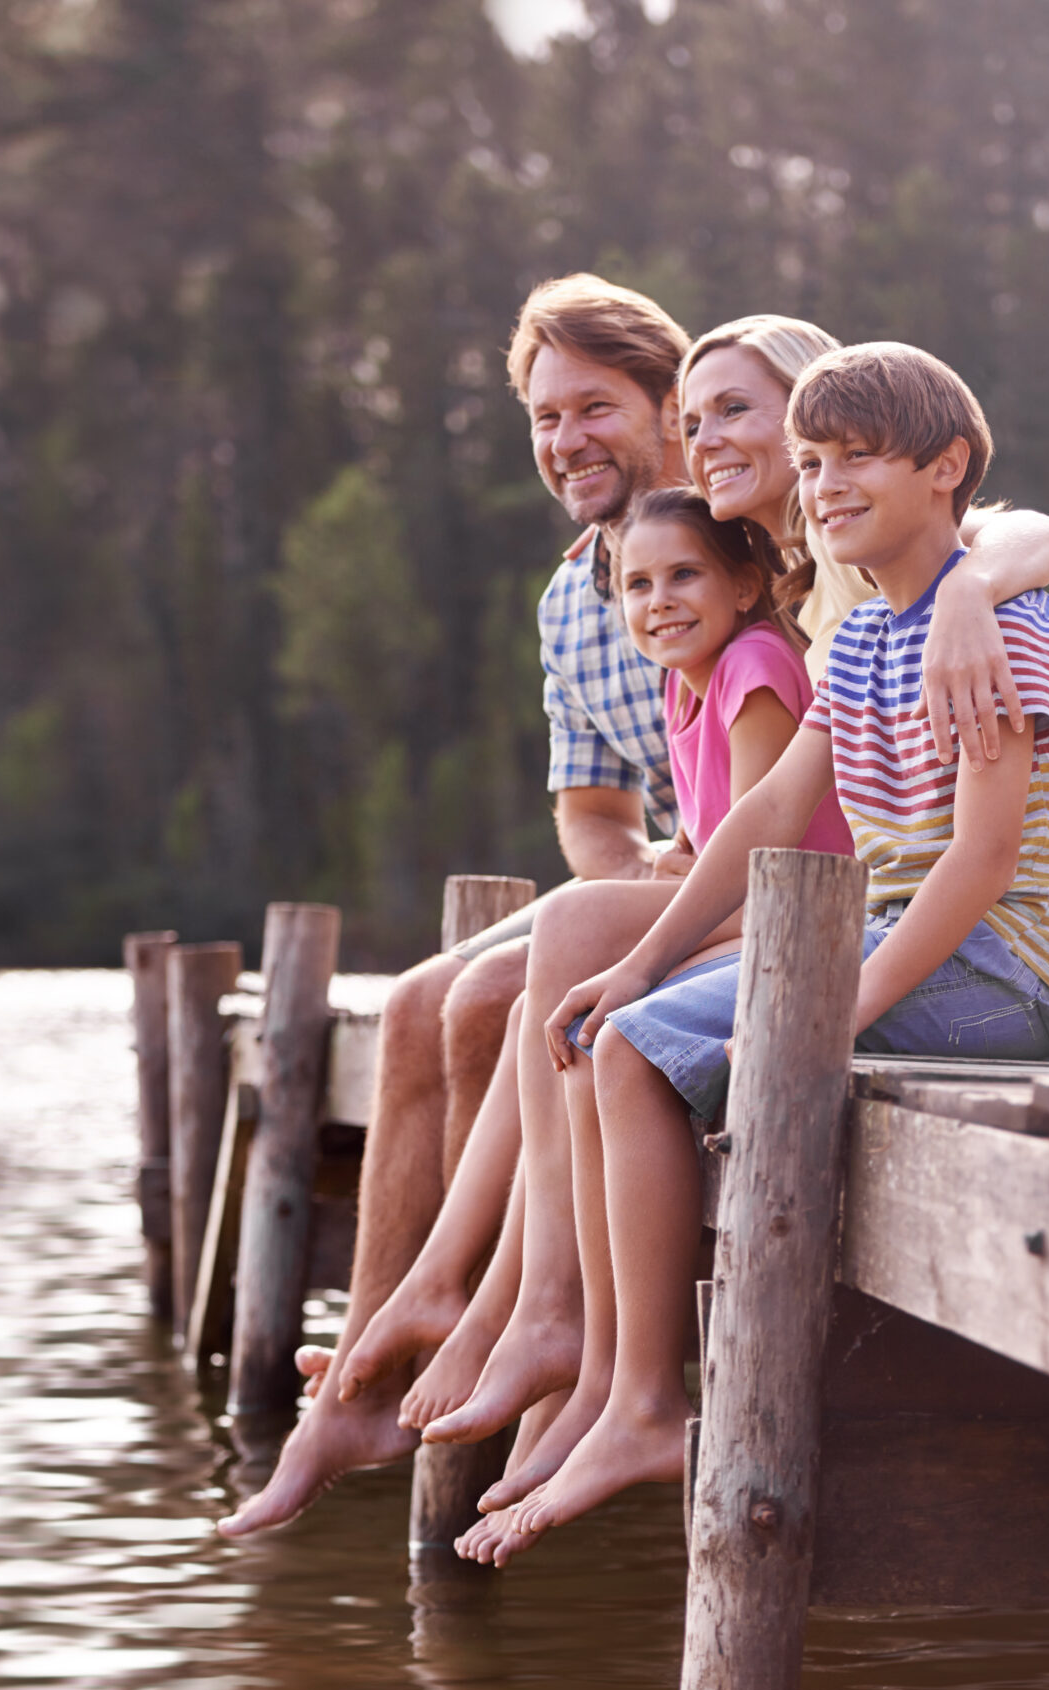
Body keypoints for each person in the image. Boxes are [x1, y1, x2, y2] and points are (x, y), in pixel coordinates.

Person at [395, 315, 1049, 1541]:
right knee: (621, 1035)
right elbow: (768, 806)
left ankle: (648, 1401)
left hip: (1001, 974)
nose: (823, 487)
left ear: (948, 470)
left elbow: (981, 865)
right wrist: (639, 963)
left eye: (854, 458)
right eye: (811, 465)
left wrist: (830, 1019)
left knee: (645, 1055)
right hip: (888, 947)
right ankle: (627, 1392)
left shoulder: (1002, 631)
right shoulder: (863, 634)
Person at [216, 273, 690, 1540]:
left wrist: (658, 888)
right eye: (543, 418)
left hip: (761, 887)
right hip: (653, 880)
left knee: (492, 995)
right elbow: (590, 811)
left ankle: (519, 1322)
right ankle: (387, 1331)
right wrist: (627, 876)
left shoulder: (743, 546)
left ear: (670, 407)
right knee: (424, 995)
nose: (565, 441)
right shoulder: (569, 602)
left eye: (595, 408)